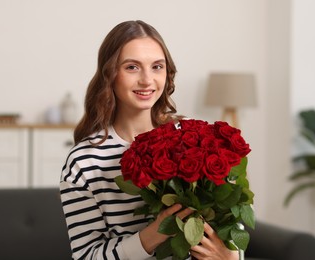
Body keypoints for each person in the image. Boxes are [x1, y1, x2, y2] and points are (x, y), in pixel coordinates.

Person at [59, 20, 239, 260]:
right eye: (132, 67)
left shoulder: (194, 139)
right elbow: (85, 256)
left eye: (157, 67)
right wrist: (152, 236)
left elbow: (232, 227)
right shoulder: (84, 162)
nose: (147, 80)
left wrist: (231, 257)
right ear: (110, 74)